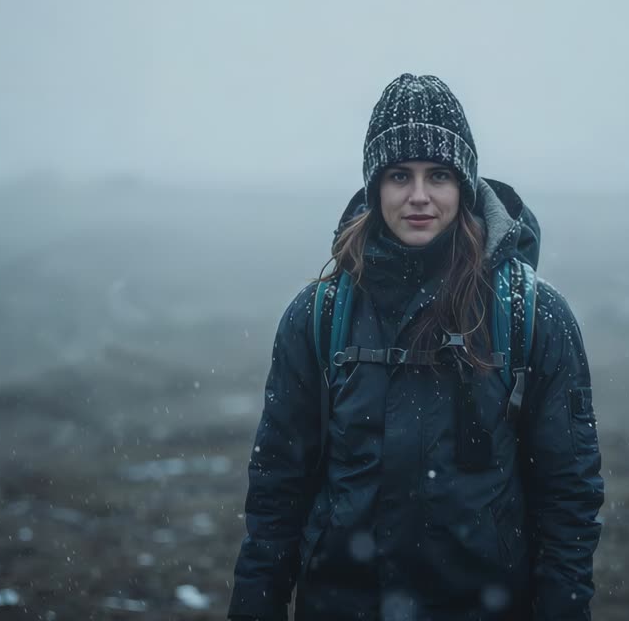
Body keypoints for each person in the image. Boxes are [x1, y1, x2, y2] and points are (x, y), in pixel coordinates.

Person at [227, 74, 604, 621]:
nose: (419, 196)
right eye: (400, 175)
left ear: (465, 187)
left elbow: (569, 499)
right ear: (375, 188)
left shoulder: (534, 317)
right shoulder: (317, 317)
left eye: (439, 175)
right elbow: (276, 495)